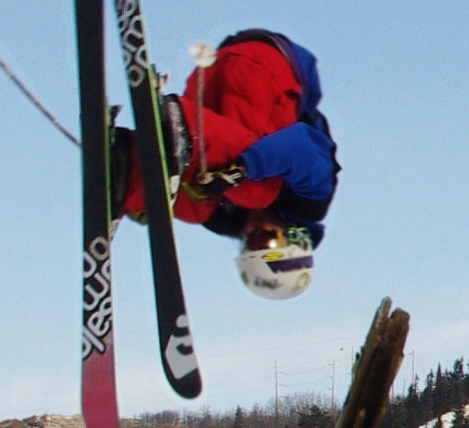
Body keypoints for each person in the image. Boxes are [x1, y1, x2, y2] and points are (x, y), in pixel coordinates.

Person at [116, 29, 335, 300]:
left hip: (211, 77)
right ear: (295, 238)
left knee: (201, 206)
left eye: (248, 245)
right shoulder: (309, 203)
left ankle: (126, 171)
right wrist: (242, 170)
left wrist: (154, 202)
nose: (252, 232)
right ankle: (185, 133)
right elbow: (301, 147)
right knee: (258, 191)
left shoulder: (228, 221)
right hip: (265, 67)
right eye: (265, 240)